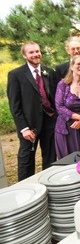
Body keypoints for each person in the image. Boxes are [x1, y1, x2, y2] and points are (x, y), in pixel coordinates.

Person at [7, 41, 58, 181]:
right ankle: (25, 187)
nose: (36, 54)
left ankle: (48, 183)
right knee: (26, 159)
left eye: (37, 51)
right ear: (24, 55)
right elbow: (14, 105)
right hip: (29, 126)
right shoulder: (16, 75)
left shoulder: (49, 72)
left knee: (50, 157)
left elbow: (54, 98)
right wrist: (24, 128)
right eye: (31, 52)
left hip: (50, 122)